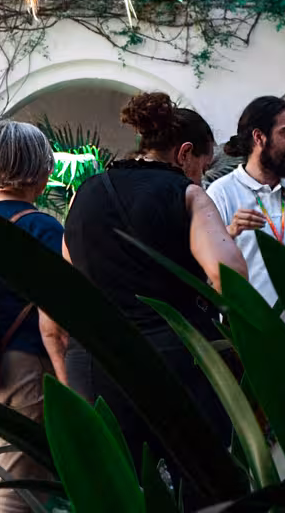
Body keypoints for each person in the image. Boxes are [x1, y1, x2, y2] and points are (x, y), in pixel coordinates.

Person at [63, 92, 244, 503]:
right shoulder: (187, 194)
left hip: (95, 362)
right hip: (178, 361)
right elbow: (229, 275)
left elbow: (67, 277)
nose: (202, 176)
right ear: (184, 153)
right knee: (203, 486)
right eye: (203, 164)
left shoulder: (84, 194)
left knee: (111, 492)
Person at [0, 121, 70, 513]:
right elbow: (54, 319)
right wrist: (67, 383)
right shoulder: (44, 228)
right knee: (19, 487)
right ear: (38, 168)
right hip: (24, 369)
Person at [206, 96, 285, 305]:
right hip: (252, 327)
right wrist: (230, 231)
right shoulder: (222, 192)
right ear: (259, 137)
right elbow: (205, 266)